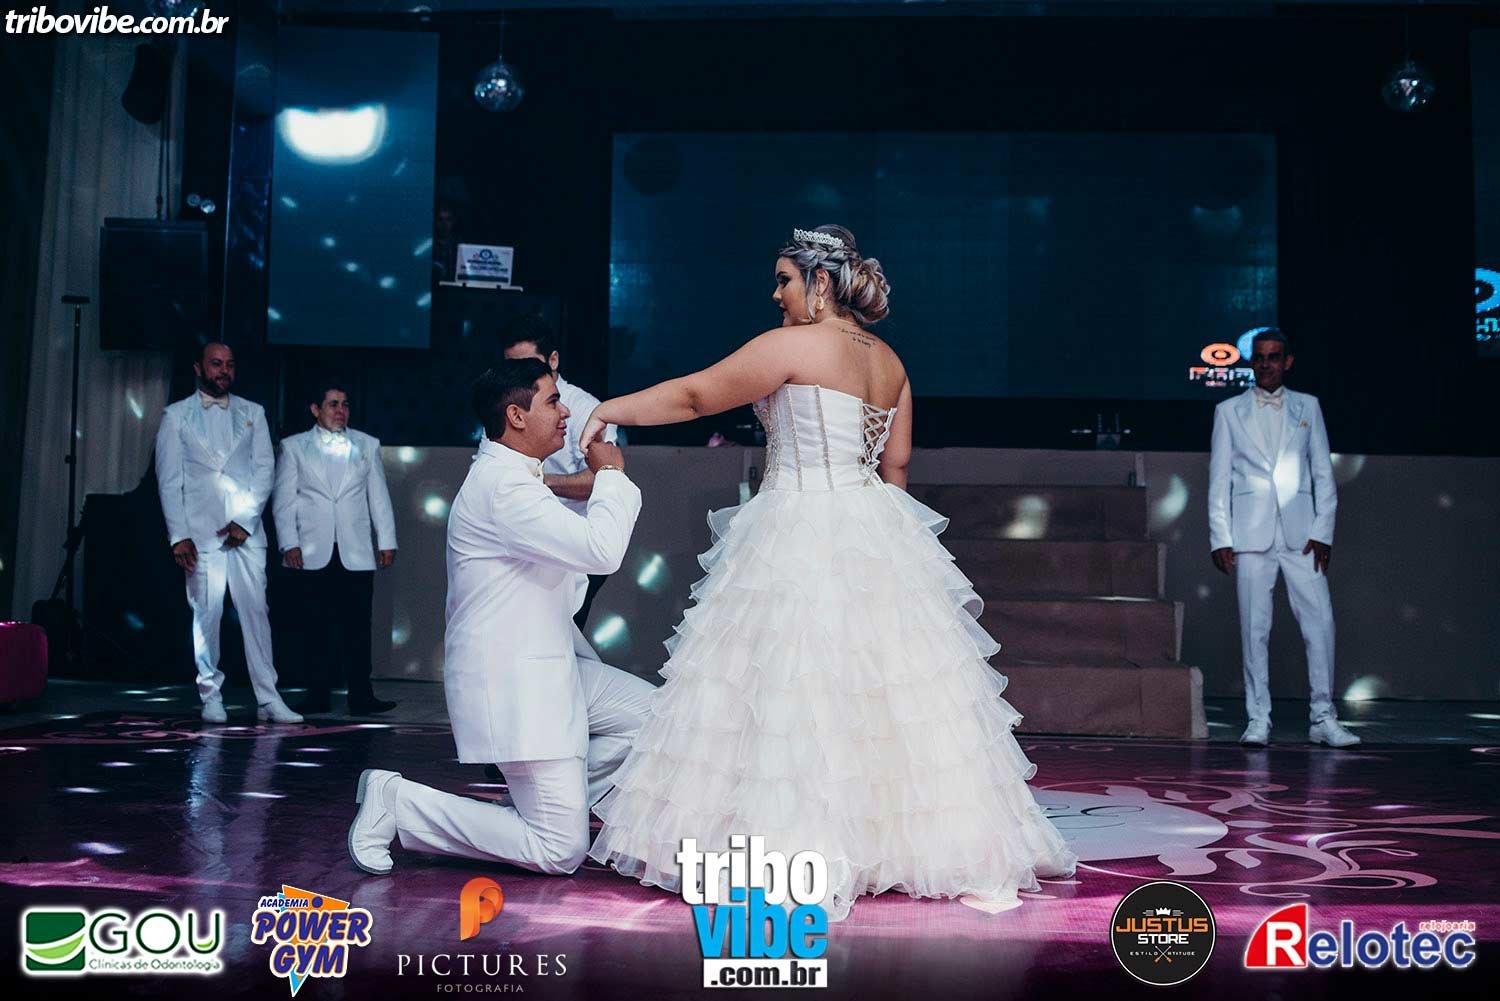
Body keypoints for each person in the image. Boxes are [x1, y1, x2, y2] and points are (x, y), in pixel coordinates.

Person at [578, 225, 1077, 921]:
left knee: (790, 687)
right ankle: (890, 846)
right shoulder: (890, 362)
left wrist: (607, 409)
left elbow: (695, 397)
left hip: (798, 522)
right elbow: (895, 468)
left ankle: (796, 848)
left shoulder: (794, 346)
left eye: (784, 279)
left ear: (819, 284)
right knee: (880, 696)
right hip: (875, 527)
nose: (775, 293)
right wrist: (885, 553)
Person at [347, 359, 655, 876]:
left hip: (550, 666)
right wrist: (610, 475)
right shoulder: (503, 487)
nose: (566, 413)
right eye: (553, 401)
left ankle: (544, 809)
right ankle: (398, 803)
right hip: (518, 684)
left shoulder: (515, 479)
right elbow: (601, 551)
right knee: (559, 851)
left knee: (658, 722)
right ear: (515, 416)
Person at [1209, 329, 1359, 748]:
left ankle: (1323, 717)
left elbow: (1323, 473)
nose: (1266, 363)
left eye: (1274, 356)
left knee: (1320, 624)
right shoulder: (1228, 411)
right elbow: (1219, 480)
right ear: (1252, 362)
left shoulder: (1308, 406)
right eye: (1259, 357)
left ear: (1287, 362)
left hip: (1302, 534)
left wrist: (1323, 531)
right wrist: (1220, 536)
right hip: (1250, 534)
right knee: (1254, 629)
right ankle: (1258, 718)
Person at [154, 342, 302, 724]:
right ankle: (210, 694)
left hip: (245, 533)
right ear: (199, 368)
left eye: (229, 365)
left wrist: (245, 521)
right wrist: (178, 535)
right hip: (200, 533)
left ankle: (268, 698)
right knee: (207, 615)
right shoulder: (175, 416)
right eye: (216, 364)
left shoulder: (254, 412)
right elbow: (169, 480)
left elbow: (265, 470)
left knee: (257, 613)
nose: (223, 371)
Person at [271, 379, 398, 716]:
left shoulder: (366, 444)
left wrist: (386, 540)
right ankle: (317, 695)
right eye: (333, 404)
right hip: (313, 549)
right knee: (315, 626)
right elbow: (283, 500)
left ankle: (361, 695)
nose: (341, 410)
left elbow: (378, 496)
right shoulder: (294, 447)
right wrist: (289, 543)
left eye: (345, 404)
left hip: (355, 549)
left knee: (358, 627)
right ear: (316, 409)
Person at [502, 314, 620, 629]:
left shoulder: (585, 409)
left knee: (560, 633)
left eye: (528, 365)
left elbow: (604, 476)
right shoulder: (506, 406)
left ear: (553, 360)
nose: (519, 376)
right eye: (511, 366)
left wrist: (537, 481)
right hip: (529, 542)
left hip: (576, 546)